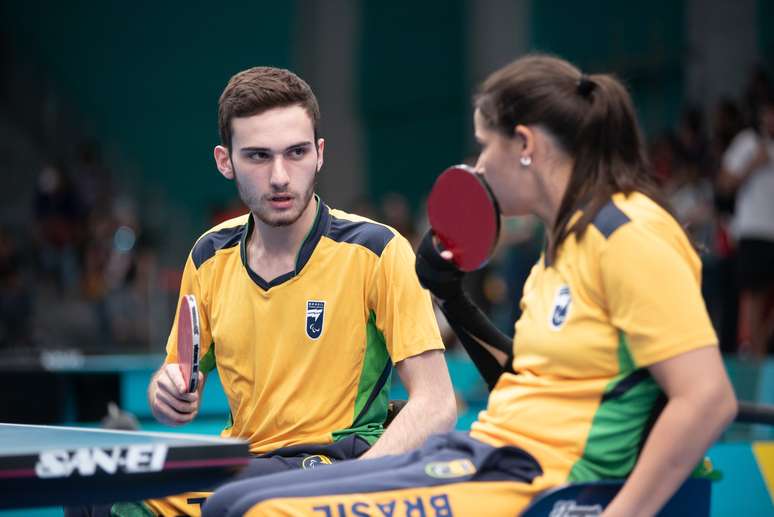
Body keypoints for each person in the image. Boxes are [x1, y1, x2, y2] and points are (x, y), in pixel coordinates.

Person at [201, 54, 738, 517]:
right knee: (230, 503)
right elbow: (522, 384)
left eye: (486, 146)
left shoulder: (629, 234)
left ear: (524, 144)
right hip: (489, 454)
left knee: (258, 509)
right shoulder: (565, 248)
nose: (479, 165)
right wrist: (452, 298)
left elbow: (708, 399)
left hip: (543, 483)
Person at [68, 67, 456, 517]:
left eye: (296, 153)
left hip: (332, 465)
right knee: (90, 492)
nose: (279, 176)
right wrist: (166, 393)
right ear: (224, 160)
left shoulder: (377, 251)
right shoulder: (209, 255)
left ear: (320, 154)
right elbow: (175, 372)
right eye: (257, 156)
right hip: (241, 464)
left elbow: (437, 401)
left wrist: (361, 484)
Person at [717, 93, 774, 358]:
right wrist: (753, 164)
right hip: (753, 231)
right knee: (753, 297)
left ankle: (760, 348)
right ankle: (756, 357)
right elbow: (725, 184)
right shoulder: (746, 143)